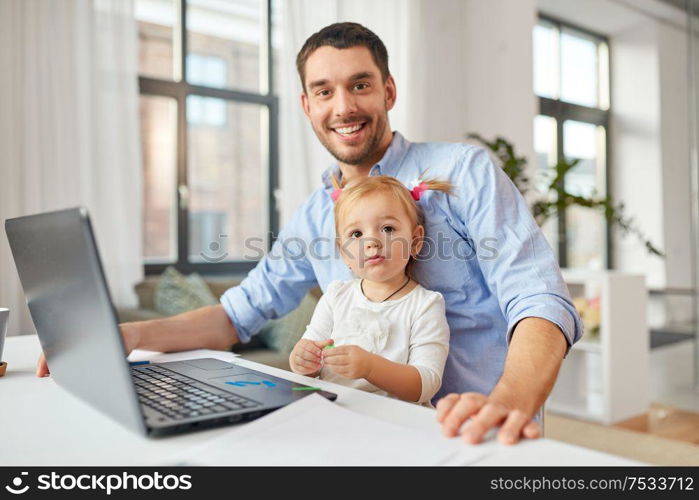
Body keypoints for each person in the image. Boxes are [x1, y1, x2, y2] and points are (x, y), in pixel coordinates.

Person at [38, 22, 582, 446]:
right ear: (306, 106)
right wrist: (131, 337)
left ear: (388, 91)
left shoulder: (463, 172)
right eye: (323, 91)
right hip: (360, 429)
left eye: (359, 85)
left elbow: (537, 298)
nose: (343, 107)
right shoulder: (312, 217)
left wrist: (512, 397)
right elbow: (238, 312)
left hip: (474, 430)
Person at [290, 175, 451, 405]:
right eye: (356, 234)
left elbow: (426, 384)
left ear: (415, 241)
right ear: (344, 253)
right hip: (336, 413)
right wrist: (302, 361)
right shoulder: (336, 297)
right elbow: (309, 361)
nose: (372, 241)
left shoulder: (425, 305)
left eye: (387, 228)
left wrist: (370, 366)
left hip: (396, 423)